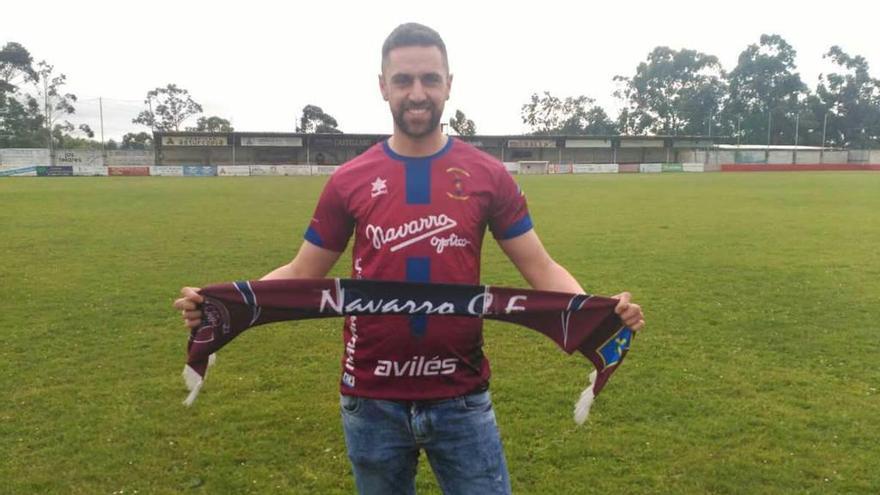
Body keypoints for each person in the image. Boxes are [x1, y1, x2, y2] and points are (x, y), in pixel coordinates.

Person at [174, 22, 645, 495]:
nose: (417, 93)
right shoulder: (349, 180)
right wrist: (224, 302)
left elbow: (540, 267)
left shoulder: (488, 176)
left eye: (429, 79)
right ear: (383, 86)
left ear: (449, 84)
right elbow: (301, 274)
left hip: (461, 396)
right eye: (403, 80)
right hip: (370, 400)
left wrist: (599, 310)